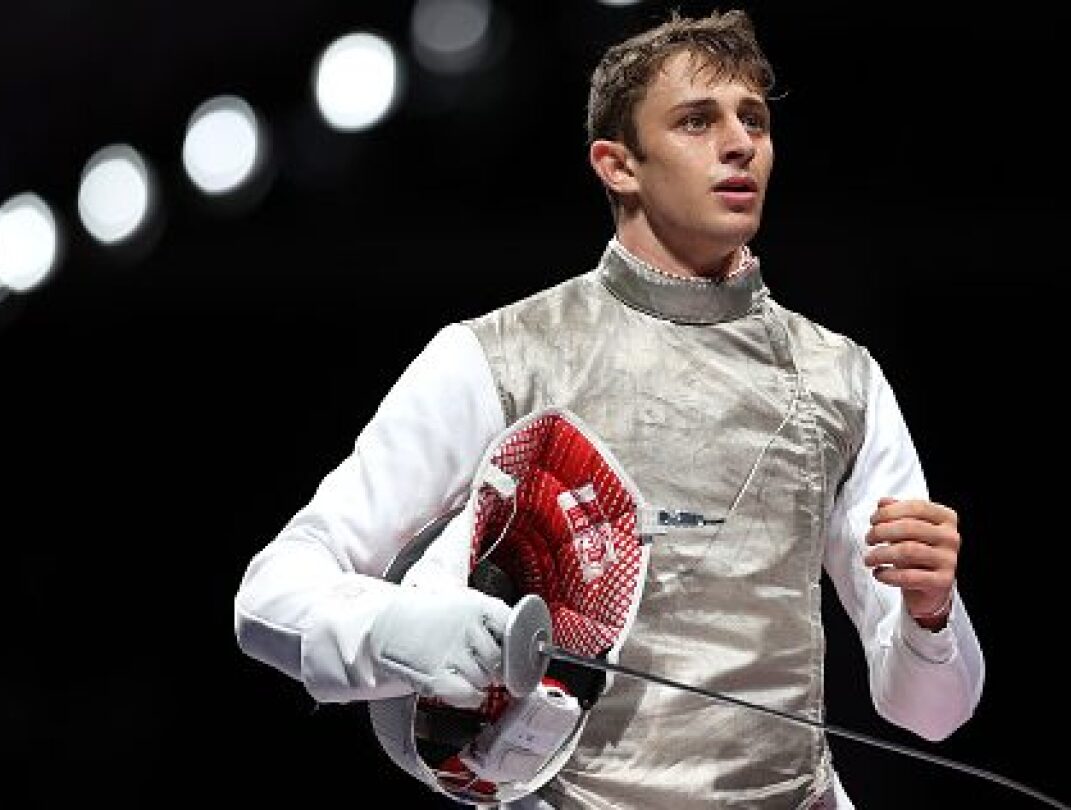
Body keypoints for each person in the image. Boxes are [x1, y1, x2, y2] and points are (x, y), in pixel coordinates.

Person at [233, 9, 985, 809]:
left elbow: (932, 712)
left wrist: (931, 613)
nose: (740, 144)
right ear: (618, 164)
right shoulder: (502, 356)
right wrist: (404, 634)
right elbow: (271, 594)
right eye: (698, 121)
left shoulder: (842, 381)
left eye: (754, 121)